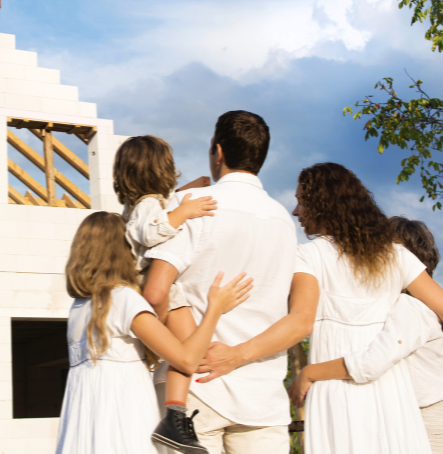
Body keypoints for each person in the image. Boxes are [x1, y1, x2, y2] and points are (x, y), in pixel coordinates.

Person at [143, 110, 301, 454]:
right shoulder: (283, 221)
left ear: (218, 152)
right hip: (262, 394)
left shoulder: (192, 206)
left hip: (194, 390)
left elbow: (156, 293)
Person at [286, 163, 443, 454]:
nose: (295, 211)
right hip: (393, 392)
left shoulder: (307, 256)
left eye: (301, 201)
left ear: (322, 205)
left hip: (334, 387)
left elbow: (299, 321)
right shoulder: (396, 256)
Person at [55, 212, 253, 454]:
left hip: (86, 426)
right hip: (123, 420)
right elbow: (187, 360)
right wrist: (215, 309)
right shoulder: (122, 299)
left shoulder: (78, 308)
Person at [112, 135, 218, 454]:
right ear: (162, 170)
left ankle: (174, 414)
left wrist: (186, 195)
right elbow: (151, 230)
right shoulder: (147, 206)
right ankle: (174, 417)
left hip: (152, 287)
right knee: (189, 351)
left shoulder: (138, 206)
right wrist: (184, 213)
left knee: (186, 351)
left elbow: (151, 218)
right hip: (164, 289)